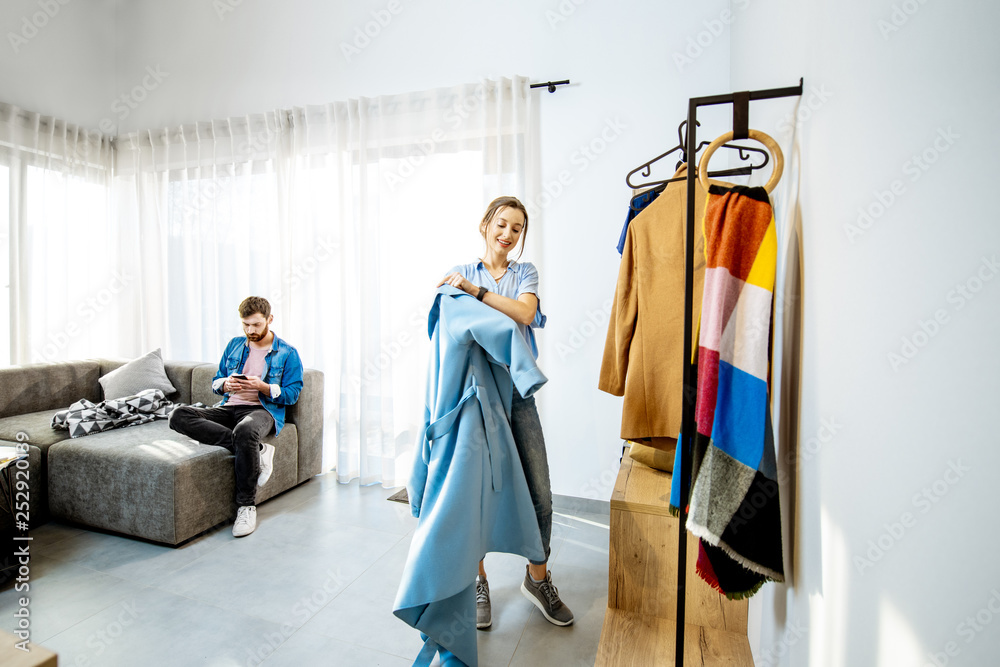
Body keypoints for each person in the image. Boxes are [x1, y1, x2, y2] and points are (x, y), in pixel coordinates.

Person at [436, 196, 574, 629]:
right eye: (501, 224)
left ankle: (538, 578)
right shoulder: (460, 271)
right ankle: (478, 582)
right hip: (477, 395)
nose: (508, 235)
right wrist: (462, 292)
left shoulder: (522, 274)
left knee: (540, 493)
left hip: (517, 393)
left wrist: (476, 293)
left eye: (516, 228)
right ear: (485, 225)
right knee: (475, 490)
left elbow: (526, 313)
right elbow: (456, 333)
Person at [169, 296, 304, 537]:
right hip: (228, 407)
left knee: (245, 431)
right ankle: (258, 450)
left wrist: (262, 387)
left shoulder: (287, 352)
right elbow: (216, 381)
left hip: (262, 411)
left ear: (269, 320)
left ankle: (246, 506)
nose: (250, 330)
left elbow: (292, 394)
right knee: (178, 415)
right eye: (245, 325)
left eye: (256, 324)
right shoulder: (234, 345)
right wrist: (225, 384)